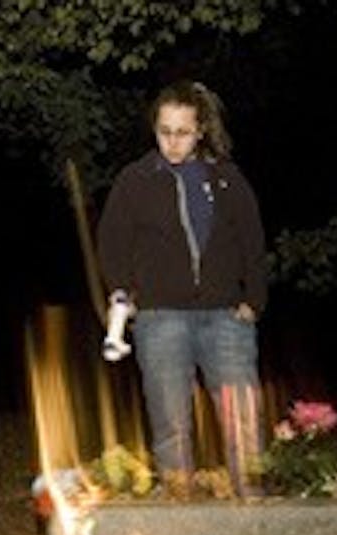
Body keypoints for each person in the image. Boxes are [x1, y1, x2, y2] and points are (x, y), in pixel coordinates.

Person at [96, 81, 268, 497]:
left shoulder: (226, 178)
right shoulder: (136, 180)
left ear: (201, 130)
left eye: (183, 132)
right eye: (164, 131)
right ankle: (178, 509)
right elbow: (112, 241)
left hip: (226, 316)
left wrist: (253, 299)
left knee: (241, 419)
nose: (172, 142)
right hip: (159, 317)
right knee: (171, 422)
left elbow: (252, 239)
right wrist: (123, 292)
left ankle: (255, 508)